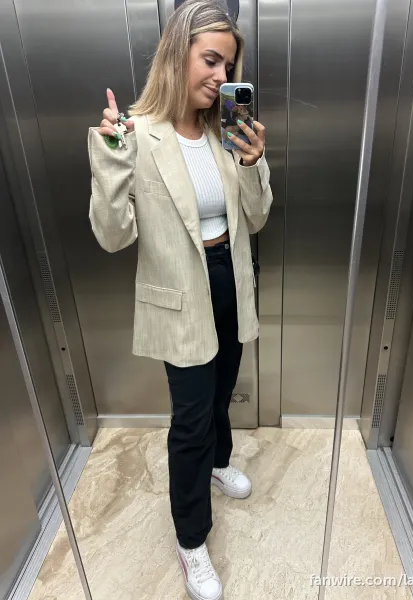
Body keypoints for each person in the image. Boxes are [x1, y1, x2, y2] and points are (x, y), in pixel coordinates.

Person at [88, 1, 272, 598]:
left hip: (230, 278)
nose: (221, 76)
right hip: (179, 291)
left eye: (229, 66)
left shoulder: (226, 130)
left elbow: (257, 217)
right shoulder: (136, 134)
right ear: (177, 55)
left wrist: (253, 162)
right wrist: (111, 160)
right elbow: (113, 237)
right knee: (190, 420)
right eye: (210, 60)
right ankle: (192, 540)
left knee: (222, 391)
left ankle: (218, 465)